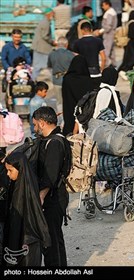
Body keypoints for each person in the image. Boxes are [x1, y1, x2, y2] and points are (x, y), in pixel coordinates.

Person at [32, 106, 70, 266]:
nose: (34, 128)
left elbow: (51, 175)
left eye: (34, 125)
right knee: (55, 238)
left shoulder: (54, 143)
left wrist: (41, 196)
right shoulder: (55, 139)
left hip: (52, 198)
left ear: (42, 123)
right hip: (55, 196)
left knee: (50, 242)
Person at [2, 152, 51, 266]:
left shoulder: (28, 188)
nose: (8, 174)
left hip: (28, 238)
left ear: (20, 169)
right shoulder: (16, 184)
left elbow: (35, 215)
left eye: (10, 170)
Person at [61, 55, 100, 136]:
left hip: (69, 110)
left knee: (69, 131)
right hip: (83, 114)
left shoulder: (67, 79)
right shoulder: (88, 81)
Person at [47, 36, 75, 113]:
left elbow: (49, 66)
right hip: (68, 80)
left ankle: (61, 118)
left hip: (56, 80)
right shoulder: (71, 55)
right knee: (68, 100)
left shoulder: (52, 54)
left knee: (59, 102)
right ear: (66, 44)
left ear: (57, 44)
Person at [30, 8, 56, 82]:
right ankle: (55, 81)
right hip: (42, 48)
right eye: (53, 14)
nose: (53, 16)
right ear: (49, 14)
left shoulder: (44, 21)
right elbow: (45, 36)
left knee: (37, 67)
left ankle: (32, 80)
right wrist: (52, 42)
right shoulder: (46, 23)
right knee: (47, 66)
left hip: (40, 48)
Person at [117, 10, 134, 81]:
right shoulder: (133, 23)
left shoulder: (129, 23)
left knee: (127, 59)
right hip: (132, 44)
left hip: (128, 43)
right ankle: (123, 71)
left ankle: (124, 71)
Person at [98, 0, 118, 67]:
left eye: (103, 5)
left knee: (106, 50)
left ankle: (105, 64)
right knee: (111, 50)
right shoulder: (112, 12)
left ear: (107, 5)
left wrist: (101, 31)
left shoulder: (109, 13)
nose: (102, 7)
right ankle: (113, 64)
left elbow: (108, 26)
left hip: (108, 33)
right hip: (111, 33)